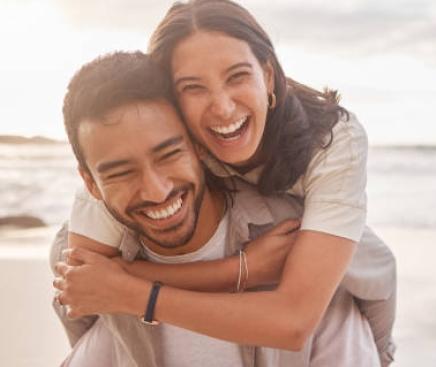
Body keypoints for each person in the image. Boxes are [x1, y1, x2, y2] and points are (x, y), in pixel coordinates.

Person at [58, 0, 396, 365]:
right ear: (171, 99)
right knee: (66, 256)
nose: (222, 108)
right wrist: (236, 270)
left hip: (314, 236)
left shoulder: (332, 142)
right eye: (193, 87)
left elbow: (295, 319)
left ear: (268, 76)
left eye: (237, 76)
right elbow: (85, 281)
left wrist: (139, 294)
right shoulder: (147, 144)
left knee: (364, 262)